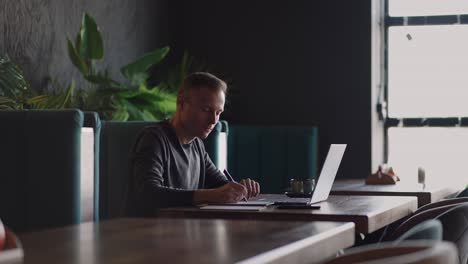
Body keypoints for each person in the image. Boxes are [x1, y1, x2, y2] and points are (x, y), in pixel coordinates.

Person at [125, 72, 260, 216]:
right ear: (181, 103)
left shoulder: (197, 146)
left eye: (218, 112)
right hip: (147, 234)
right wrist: (210, 195)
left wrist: (239, 189)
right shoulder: (154, 138)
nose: (214, 121)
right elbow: (148, 194)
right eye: (206, 110)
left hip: (181, 233)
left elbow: (221, 186)